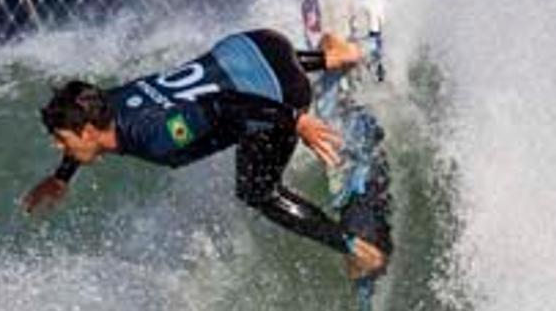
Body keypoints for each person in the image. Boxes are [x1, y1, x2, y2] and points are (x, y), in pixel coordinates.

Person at [22, 28, 388, 277]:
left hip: (280, 92)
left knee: (259, 193)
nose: (59, 146)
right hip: (258, 44)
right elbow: (210, 91)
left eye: (62, 139)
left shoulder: (156, 137)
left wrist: (294, 120)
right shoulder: (109, 102)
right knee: (221, 74)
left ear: (88, 131)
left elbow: (223, 106)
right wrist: (61, 176)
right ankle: (334, 55)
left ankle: (357, 249)